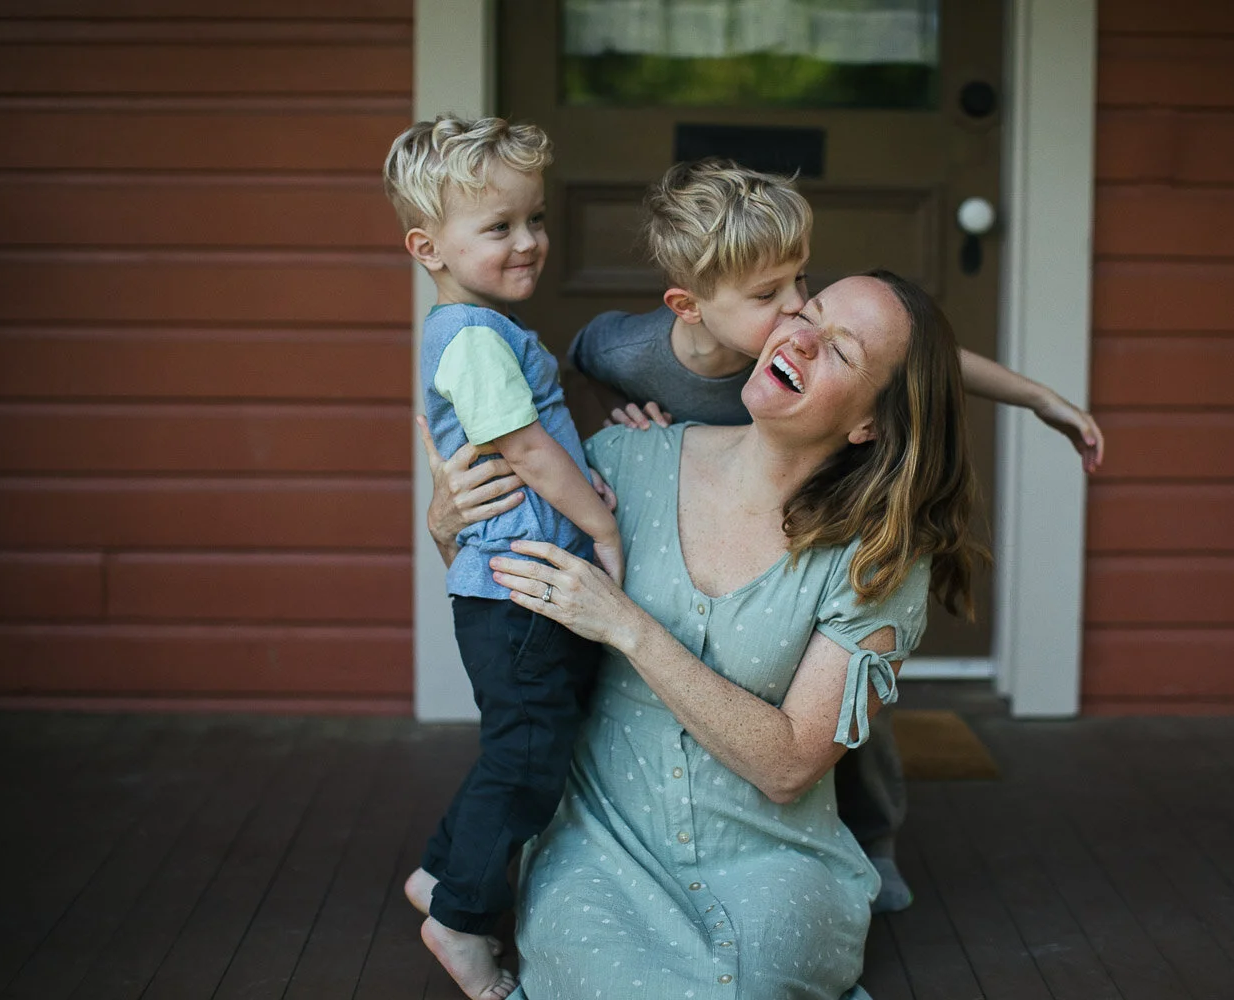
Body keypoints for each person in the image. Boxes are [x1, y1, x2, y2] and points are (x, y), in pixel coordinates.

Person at [435, 158, 1104, 914]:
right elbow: (572, 373)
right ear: (687, 307)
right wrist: (612, 416)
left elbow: (923, 361)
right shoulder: (632, 352)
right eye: (768, 296)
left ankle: (874, 836)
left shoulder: (800, 336)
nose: (793, 313)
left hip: (799, 513)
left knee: (848, 702)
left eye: (802, 285)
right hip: (691, 501)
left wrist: (1038, 398)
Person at [475, 270, 978, 998]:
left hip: (775, 861)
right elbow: (500, 599)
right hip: (601, 843)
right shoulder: (624, 461)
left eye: (841, 350)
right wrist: (448, 522)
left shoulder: (878, 559)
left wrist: (628, 627)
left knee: (749, 984)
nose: (800, 339)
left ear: (870, 424)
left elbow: (791, 764)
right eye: (808, 313)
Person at [384, 114, 622, 1000]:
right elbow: (523, 448)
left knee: (522, 746)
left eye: (535, 218)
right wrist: (600, 527)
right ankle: (461, 919)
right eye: (499, 227)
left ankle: (441, 874)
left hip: (521, 582)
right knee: (526, 759)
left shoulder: (483, 327)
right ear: (428, 247)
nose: (528, 242)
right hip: (516, 588)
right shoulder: (475, 338)